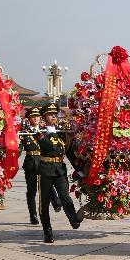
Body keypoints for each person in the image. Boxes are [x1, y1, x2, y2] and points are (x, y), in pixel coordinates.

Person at [34, 103, 84, 243]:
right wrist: (45, 133)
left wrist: (78, 170)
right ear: (44, 118)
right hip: (46, 170)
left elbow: (69, 153)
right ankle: (47, 231)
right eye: (50, 114)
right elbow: (49, 147)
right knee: (44, 202)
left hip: (60, 170)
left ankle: (74, 219)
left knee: (65, 197)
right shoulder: (40, 133)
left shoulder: (62, 133)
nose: (54, 116)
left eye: (55, 114)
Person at [19, 107, 48, 224]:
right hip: (30, 161)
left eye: (37, 116)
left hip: (43, 160)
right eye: (33, 116)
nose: (36, 118)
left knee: (47, 186)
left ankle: (54, 203)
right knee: (32, 190)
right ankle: (33, 215)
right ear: (29, 119)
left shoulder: (45, 130)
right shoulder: (24, 132)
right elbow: (18, 149)